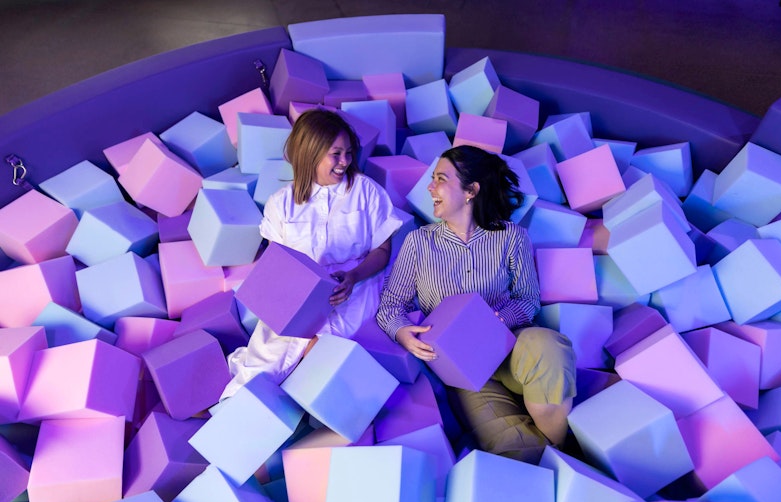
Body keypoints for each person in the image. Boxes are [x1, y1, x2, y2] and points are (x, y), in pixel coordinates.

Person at [376, 145, 576, 464]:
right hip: (464, 372)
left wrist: (496, 319)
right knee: (518, 451)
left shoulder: (512, 237)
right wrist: (403, 334)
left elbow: (528, 299)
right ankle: (549, 464)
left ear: (471, 190)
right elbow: (389, 306)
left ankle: (566, 455)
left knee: (549, 347)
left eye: (440, 179)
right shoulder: (418, 242)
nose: (430, 187)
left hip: (512, 347)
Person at [221, 108, 402, 399]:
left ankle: (309, 410)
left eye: (348, 152)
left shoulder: (367, 192)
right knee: (266, 361)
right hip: (299, 295)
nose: (345, 162)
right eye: (336, 154)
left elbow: (382, 251)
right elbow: (276, 264)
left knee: (329, 354)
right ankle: (232, 410)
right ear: (311, 155)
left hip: (356, 287)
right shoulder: (280, 204)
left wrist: (353, 277)